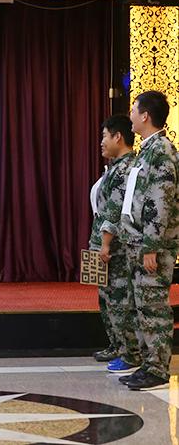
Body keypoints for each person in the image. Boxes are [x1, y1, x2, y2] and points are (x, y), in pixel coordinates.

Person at [113, 91, 179, 391]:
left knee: (153, 307)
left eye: (133, 110)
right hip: (137, 243)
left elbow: (159, 203)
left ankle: (158, 370)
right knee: (143, 307)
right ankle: (148, 365)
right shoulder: (147, 150)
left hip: (151, 246)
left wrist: (151, 246)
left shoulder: (161, 151)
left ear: (145, 115)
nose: (130, 117)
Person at [88, 115, 136, 363]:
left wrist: (105, 243)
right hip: (100, 244)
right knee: (105, 299)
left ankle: (129, 353)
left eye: (104, 136)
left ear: (118, 137)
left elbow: (116, 211)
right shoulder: (114, 167)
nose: (101, 142)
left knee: (119, 301)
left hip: (113, 248)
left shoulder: (126, 169)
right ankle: (115, 345)